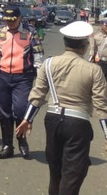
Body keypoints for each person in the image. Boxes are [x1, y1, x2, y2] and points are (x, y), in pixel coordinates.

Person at [16, 21, 107, 195]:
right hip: (78, 124)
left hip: (52, 120)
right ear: (84, 46)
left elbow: (37, 95)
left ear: (65, 43)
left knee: (55, 171)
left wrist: (27, 119)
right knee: (73, 174)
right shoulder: (94, 70)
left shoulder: (49, 64)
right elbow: (102, 105)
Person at [0, 6, 44, 159]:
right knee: (4, 113)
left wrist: (41, 80)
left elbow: (39, 55)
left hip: (23, 77)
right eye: (7, 20)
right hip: (2, 76)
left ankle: (22, 142)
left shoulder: (30, 31)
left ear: (20, 18)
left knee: (21, 110)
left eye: (13, 20)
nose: (10, 23)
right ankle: (7, 145)